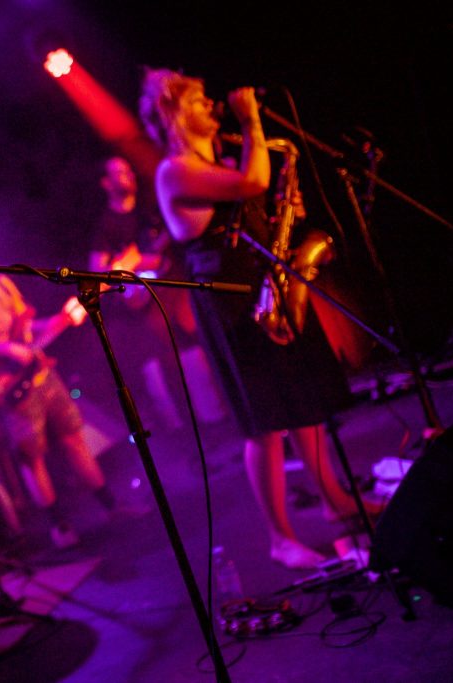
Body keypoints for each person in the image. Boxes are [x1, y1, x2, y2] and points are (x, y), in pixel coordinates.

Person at [138, 68, 382, 569]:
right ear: (174, 114)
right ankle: (280, 539)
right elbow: (253, 180)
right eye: (199, 101)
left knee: (303, 407)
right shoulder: (173, 171)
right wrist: (251, 121)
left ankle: (337, 503)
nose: (212, 106)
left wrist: (280, 216)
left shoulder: (217, 163)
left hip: (265, 288)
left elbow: (251, 199)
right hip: (229, 303)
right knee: (264, 423)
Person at [0, 220, 128, 549]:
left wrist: (60, 320)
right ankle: (59, 528)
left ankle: (111, 506)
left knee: (74, 437)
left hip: (41, 373)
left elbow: (26, 327)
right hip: (8, 387)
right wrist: (5, 349)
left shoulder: (0, 281)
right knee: (32, 457)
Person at [89, 155, 226, 432]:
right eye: (119, 172)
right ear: (106, 183)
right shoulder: (106, 225)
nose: (128, 175)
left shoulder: (149, 211)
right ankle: (187, 428)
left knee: (197, 343)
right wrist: (132, 265)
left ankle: (218, 417)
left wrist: (154, 260)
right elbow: (97, 274)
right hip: (144, 303)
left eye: (129, 169)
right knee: (166, 362)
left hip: (173, 290)